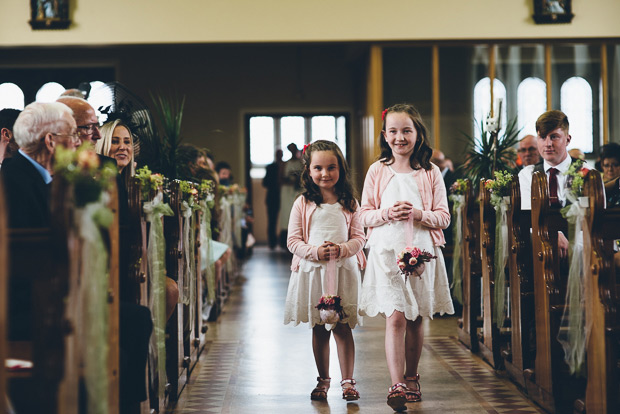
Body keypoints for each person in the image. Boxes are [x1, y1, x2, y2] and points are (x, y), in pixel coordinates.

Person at [358, 103, 454, 411]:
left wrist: (418, 213)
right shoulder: (377, 171)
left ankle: (413, 376)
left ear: (418, 134)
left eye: (407, 131)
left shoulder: (429, 173)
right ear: (385, 136)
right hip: (387, 254)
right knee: (395, 317)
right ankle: (396, 382)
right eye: (394, 131)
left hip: (421, 254)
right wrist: (387, 213)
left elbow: (444, 217)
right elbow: (363, 215)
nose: (400, 137)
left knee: (414, 318)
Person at [283, 140, 366, 402]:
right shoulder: (303, 203)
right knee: (319, 326)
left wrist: (342, 249)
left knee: (342, 327)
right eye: (318, 168)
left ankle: (348, 381)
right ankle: (323, 380)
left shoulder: (350, 202)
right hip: (313, 273)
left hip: (342, 271)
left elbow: (360, 238)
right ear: (308, 170)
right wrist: (316, 252)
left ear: (341, 169)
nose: (325, 174)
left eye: (332, 167)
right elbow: (293, 241)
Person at [518, 110, 586, 258]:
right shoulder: (527, 175)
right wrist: (554, 235)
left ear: (567, 139)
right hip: (540, 246)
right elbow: (528, 217)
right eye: (542, 137)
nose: (548, 144)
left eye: (554, 137)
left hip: (581, 248)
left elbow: (594, 217)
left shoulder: (586, 172)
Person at [279, 143, 303, 248]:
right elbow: (280, 178)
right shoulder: (285, 164)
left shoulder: (301, 163)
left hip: (298, 191)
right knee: (287, 214)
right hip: (287, 191)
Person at [262, 149, 284, 249]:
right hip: (272, 197)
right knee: (272, 221)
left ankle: (284, 241)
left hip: (285, 196)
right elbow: (265, 183)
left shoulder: (285, 165)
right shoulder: (270, 167)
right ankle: (272, 243)